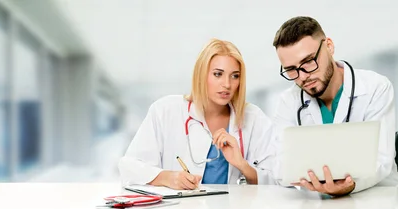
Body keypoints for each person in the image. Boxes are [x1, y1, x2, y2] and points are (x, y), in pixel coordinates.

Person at [118, 38, 278, 190]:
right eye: (217, 74)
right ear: (201, 74)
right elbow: (129, 167)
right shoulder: (165, 110)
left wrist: (242, 165)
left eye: (235, 76)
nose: (227, 84)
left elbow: (277, 180)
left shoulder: (254, 117)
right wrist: (168, 177)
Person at [271, 16, 398, 196]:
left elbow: (382, 160)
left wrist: (350, 184)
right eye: (291, 69)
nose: (302, 76)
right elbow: (279, 167)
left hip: (375, 199)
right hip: (317, 204)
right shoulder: (287, 101)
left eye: (308, 61)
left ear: (329, 46)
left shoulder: (375, 87)